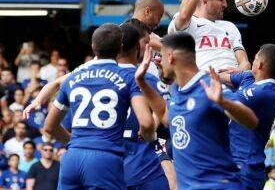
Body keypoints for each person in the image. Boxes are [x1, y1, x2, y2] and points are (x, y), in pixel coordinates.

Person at [135, 32, 258, 189]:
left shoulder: (207, 85)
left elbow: (252, 121)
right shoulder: (180, 89)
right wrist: (142, 82)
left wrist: (224, 102)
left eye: (162, 56)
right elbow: (167, 117)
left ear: (170, 57)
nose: (159, 61)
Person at [43, 23, 155, 189]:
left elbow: (49, 127)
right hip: (105, 160)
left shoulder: (72, 78)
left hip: (71, 159)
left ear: (93, 46)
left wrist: (75, 143)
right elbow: (146, 123)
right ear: (120, 48)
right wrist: (148, 137)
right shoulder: (128, 77)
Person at [218, 44, 275, 190]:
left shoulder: (266, 93)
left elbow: (225, 98)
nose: (252, 62)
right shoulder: (249, 78)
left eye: (254, 59)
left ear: (259, 64)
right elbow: (219, 76)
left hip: (246, 168)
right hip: (232, 163)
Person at [119, 22, 171, 190]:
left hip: (107, 170)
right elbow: (169, 121)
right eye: (146, 42)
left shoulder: (91, 78)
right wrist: (172, 79)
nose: (149, 46)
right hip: (143, 168)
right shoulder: (148, 81)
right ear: (136, 45)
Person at [168, 0, 250, 71]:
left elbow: (244, 62)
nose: (225, 4)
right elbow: (183, 15)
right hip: (203, 82)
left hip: (234, 80)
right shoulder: (188, 24)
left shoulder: (230, 27)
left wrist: (240, 71)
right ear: (205, 1)